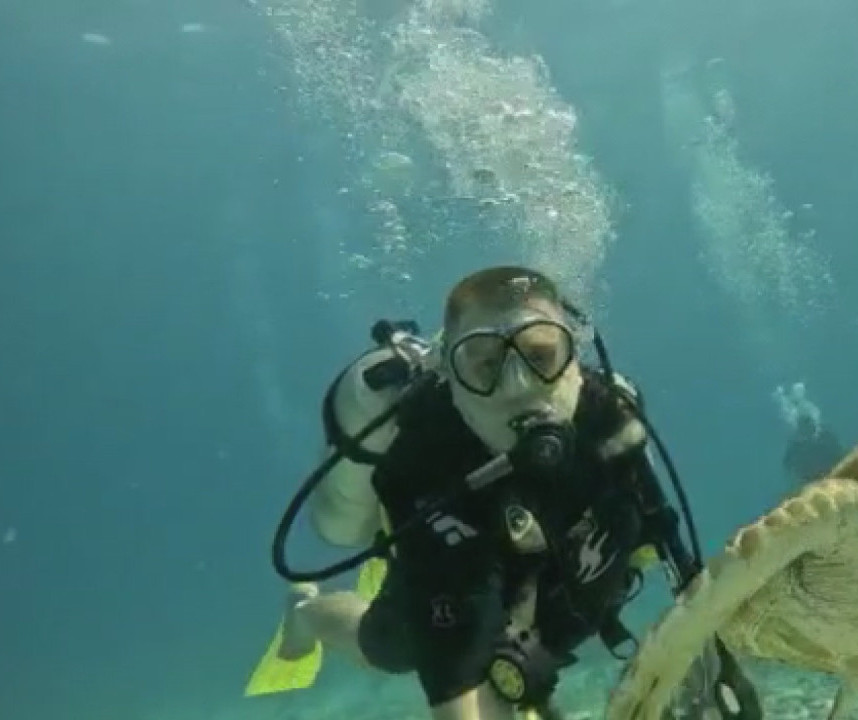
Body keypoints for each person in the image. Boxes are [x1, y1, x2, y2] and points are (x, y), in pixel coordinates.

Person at [245, 266, 759, 720]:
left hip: (556, 572)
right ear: (451, 376)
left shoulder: (611, 416)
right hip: (456, 563)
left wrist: (705, 661)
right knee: (388, 649)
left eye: (540, 356)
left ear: (575, 361)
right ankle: (306, 613)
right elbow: (457, 680)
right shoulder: (425, 461)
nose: (517, 386)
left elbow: (662, 538)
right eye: (485, 364)